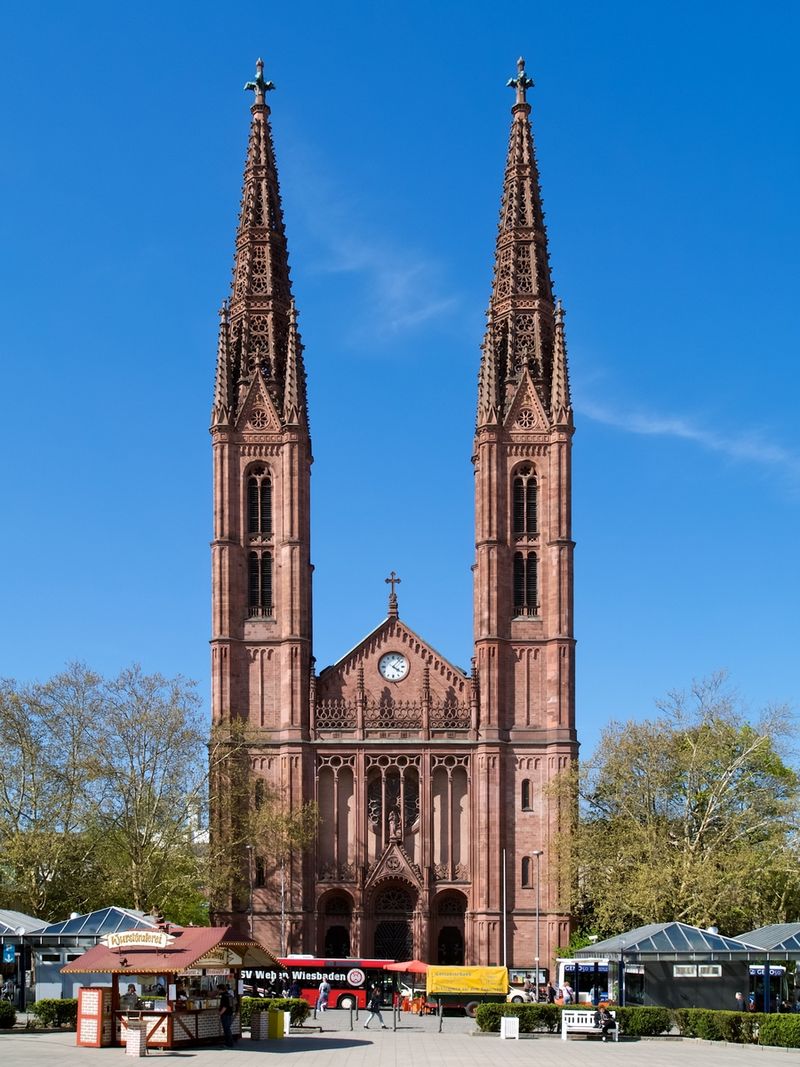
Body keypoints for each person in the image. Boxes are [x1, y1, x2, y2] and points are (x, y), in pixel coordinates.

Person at [218, 983, 234, 1048]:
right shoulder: (229, 995)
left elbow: (225, 1006)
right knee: (227, 1028)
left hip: (225, 1014)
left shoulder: (224, 996)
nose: (218, 991)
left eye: (218, 989)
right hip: (230, 1013)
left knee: (226, 1029)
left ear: (221, 989)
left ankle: (229, 1043)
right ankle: (229, 1042)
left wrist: (220, 1013)